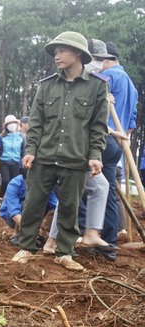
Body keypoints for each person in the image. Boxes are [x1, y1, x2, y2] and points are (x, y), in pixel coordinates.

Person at [12, 31, 109, 270]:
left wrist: (95, 156)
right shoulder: (46, 87)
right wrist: (31, 150)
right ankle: (26, 247)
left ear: (78, 53)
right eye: (55, 52)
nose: (57, 56)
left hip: (75, 158)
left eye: (62, 50)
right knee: (33, 203)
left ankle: (65, 252)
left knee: (69, 207)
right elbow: (36, 123)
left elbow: (98, 126)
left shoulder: (97, 87)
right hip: (44, 157)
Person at [95, 40, 139, 260]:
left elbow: (94, 106)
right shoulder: (132, 85)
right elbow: (131, 122)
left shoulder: (107, 77)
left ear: (106, 59)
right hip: (118, 143)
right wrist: (123, 138)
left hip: (101, 139)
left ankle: (87, 235)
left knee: (88, 189)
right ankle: (108, 244)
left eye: (97, 59)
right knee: (109, 192)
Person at [0, 171, 58, 247]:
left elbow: (55, 206)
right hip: (12, 216)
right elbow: (14, 212)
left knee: (44, 202)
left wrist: (45, 223)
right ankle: (17, 233)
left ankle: (42, 233)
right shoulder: (15, 184)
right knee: (27, 204)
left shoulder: (44, 183)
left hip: (35, 215)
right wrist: (31, 229)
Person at [0, 115, 25, 205]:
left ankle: (9, 198)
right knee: (5, 180)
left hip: (16, 162)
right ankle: (0, 197)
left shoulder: (21, 137)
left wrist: (23, 162)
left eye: (13, 123)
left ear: (16, 124)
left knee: (13, 182)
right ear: (6, 125)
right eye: (9, 123)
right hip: (4, 162)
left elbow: (23, 151)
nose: (12, 125)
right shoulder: (2, 136)